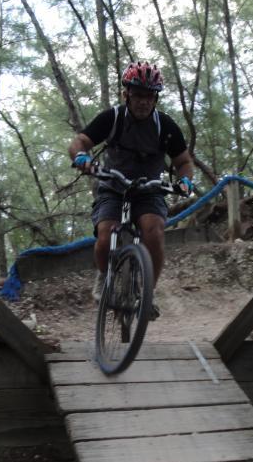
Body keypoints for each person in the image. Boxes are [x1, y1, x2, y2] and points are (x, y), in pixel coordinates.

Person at [68, 61, 194, 317]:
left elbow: (183, 162)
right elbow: (79, 142)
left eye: (149, 96)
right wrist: (82, 158)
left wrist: (186, 181)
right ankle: (105, 277)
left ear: (156, 98)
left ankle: (146, 292)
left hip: (149, 189)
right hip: (113, 186)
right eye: (138, 95)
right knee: (105, 234)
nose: (143, 102)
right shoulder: (112, 118)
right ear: (127, 94)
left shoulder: (166, 127)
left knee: (154, 230)